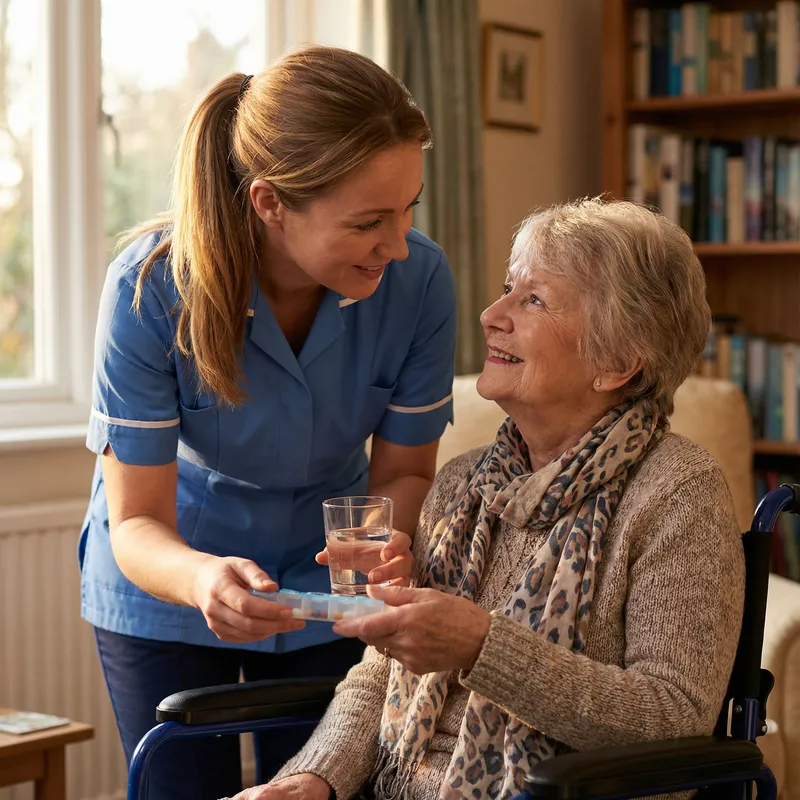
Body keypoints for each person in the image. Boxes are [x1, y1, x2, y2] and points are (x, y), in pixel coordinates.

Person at [233, 198, 746, 800]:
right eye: (508, 288)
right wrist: (311, 777)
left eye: (533, 300)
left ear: (615, 363)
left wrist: (483, 645)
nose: (490, 314)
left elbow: (672, 717)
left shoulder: (677, 493)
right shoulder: (462, 484)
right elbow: (381, 676)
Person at [79, 46, 456, 799]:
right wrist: (202, 579)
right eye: (368, 220)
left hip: (330, 589)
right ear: (270, 203)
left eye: (409, 206)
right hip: (175, 581)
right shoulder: (149, 290)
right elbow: (137, 524)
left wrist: (387, 543)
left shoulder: (418, 280)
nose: (397, 241)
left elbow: (407, 471)